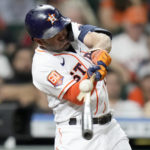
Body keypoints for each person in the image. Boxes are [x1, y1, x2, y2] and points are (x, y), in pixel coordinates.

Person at [25, 4, 132, 150]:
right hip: (78, 135)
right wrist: (91, 74)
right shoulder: (42, 66)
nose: (62, 34)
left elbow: (103, 37)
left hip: (110, 127)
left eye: (60, 27)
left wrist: (98, 53)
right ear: (40, 41)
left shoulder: (69, 30)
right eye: (53, 34)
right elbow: (78, 96)